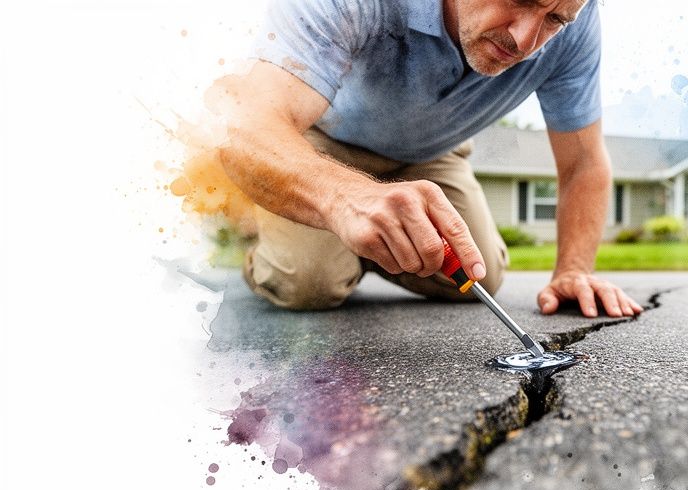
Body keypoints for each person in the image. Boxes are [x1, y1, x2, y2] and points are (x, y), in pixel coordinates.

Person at [211, 0, 643, 318]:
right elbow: (243, 125)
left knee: (478, 277)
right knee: (307, 282)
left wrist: (573, 270)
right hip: (319, 143)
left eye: (553, 19)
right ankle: (260, 223)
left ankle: (360, 244)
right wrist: (345, 199)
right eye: (520, 0)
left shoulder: (578, 23)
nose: (525, 41)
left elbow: (583, 162)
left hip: (431, 154)